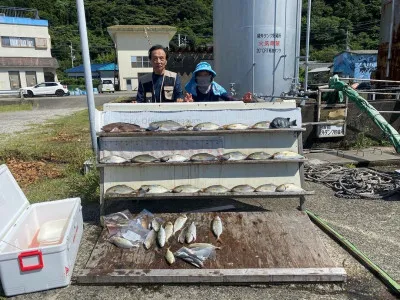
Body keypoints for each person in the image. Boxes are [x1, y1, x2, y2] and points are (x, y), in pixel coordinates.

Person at [184, 62, 252, 102]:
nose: (203, 78)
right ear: (195, 78)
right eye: (200, 75)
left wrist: (242, 100)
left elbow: (230, 99)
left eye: (206, 75)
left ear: (211, 77)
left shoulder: (217, 89)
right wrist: (187, 103)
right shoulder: (191, 90)